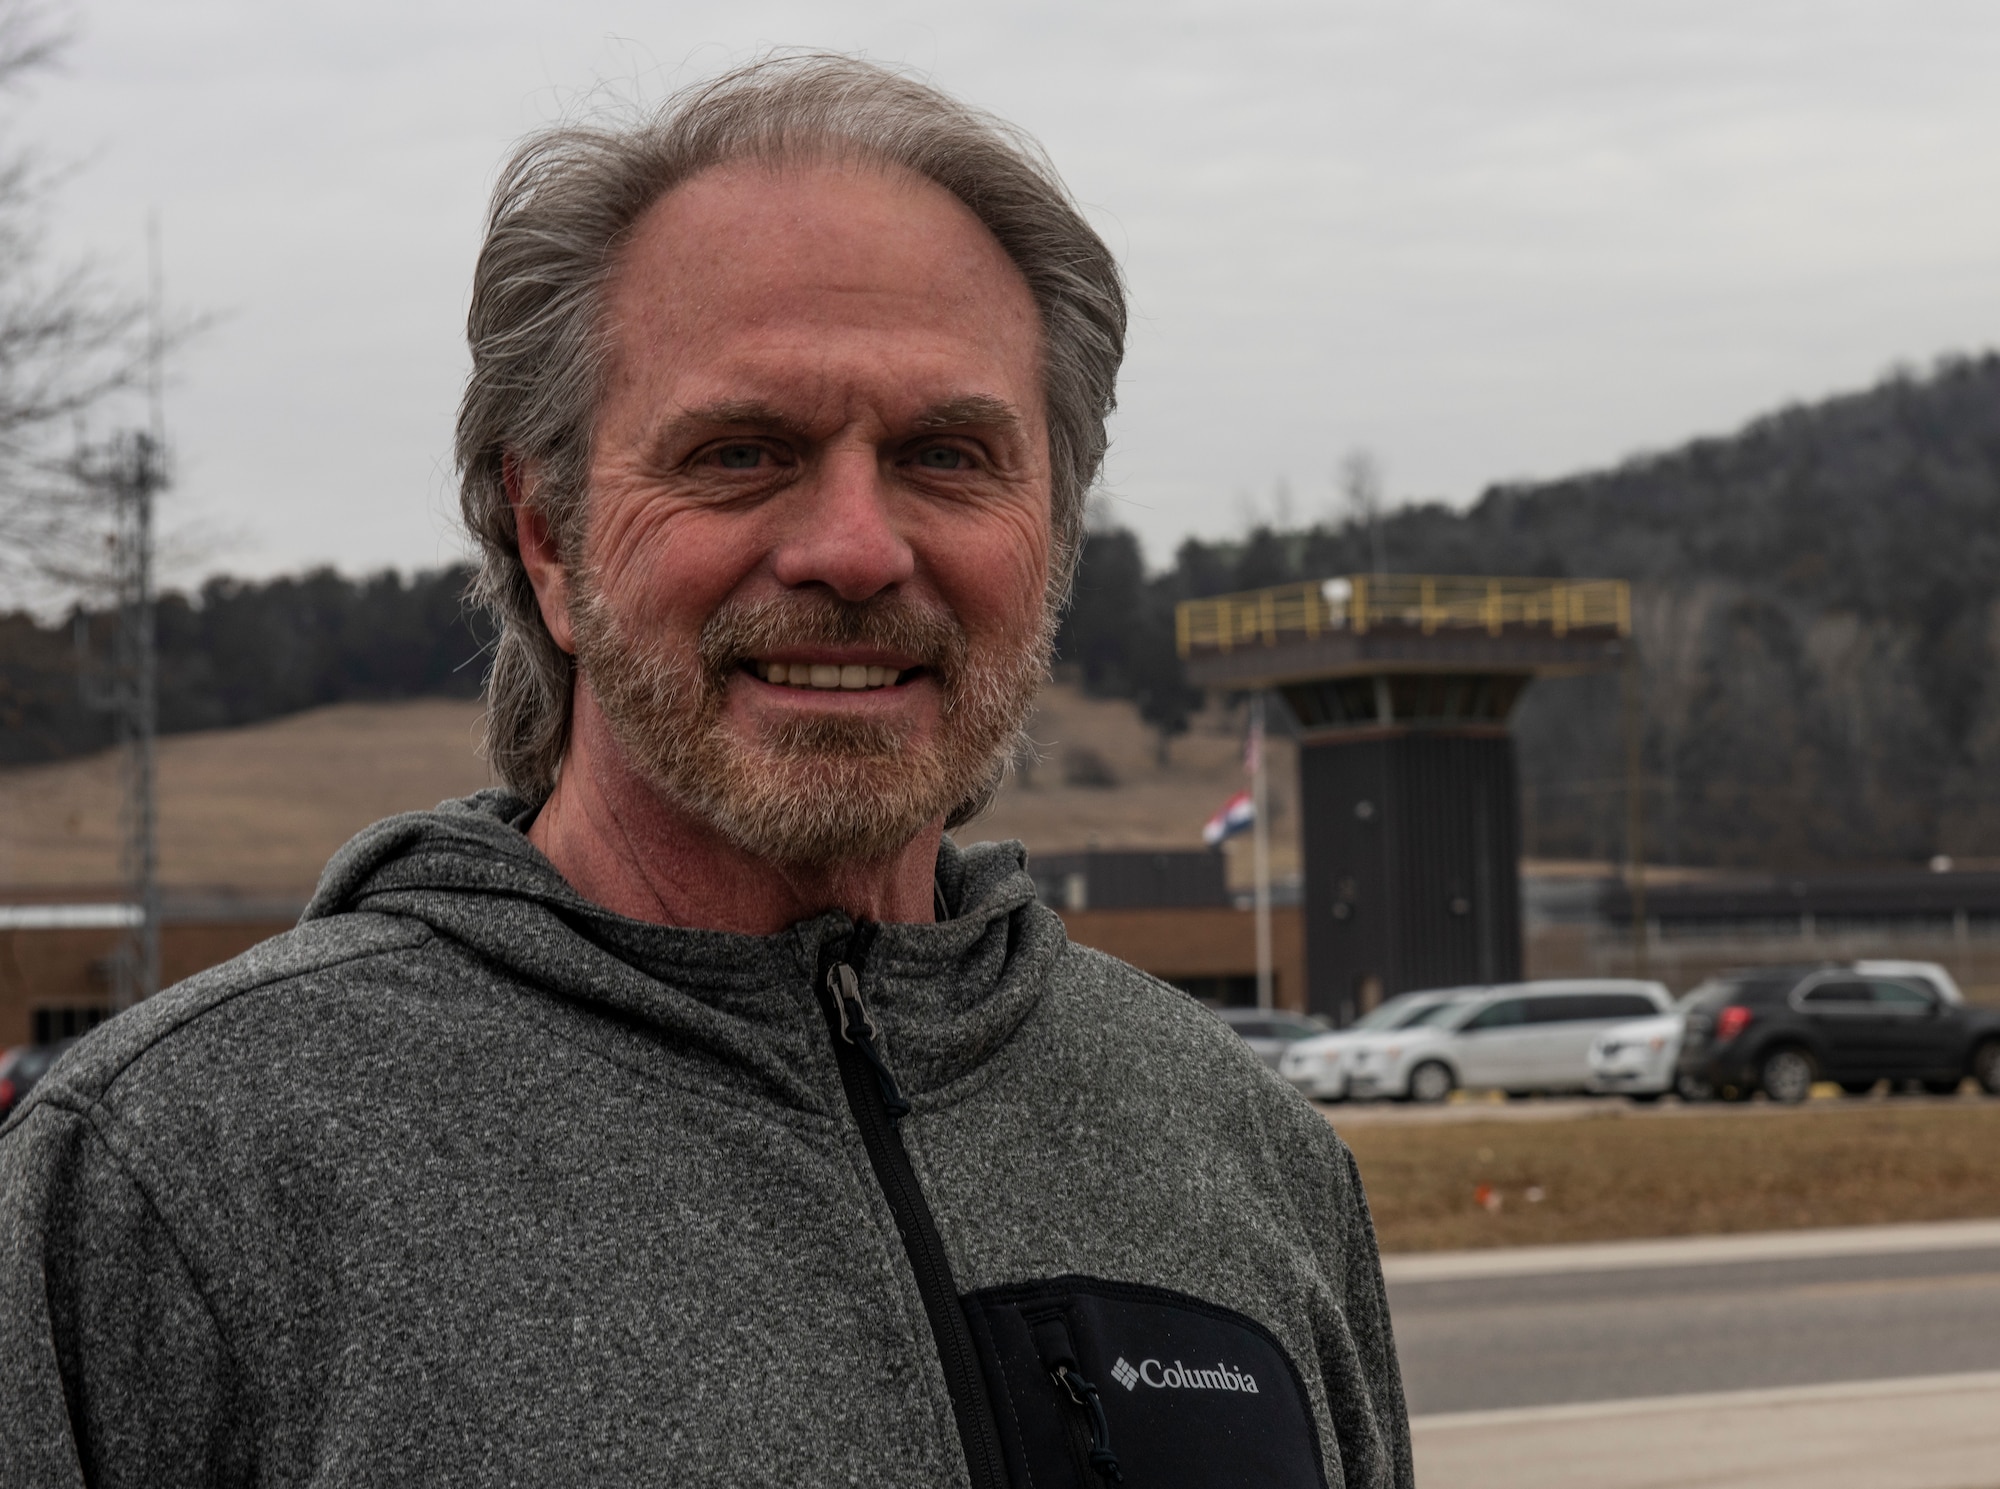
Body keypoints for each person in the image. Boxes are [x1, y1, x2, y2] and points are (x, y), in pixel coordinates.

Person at [0, 56, 1412, 1488]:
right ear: (545, 538)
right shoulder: (165, 1184)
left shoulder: (1249, 1157)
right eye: (742, 452)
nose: (855, 549)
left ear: (1053, 528)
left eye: (946, 453)